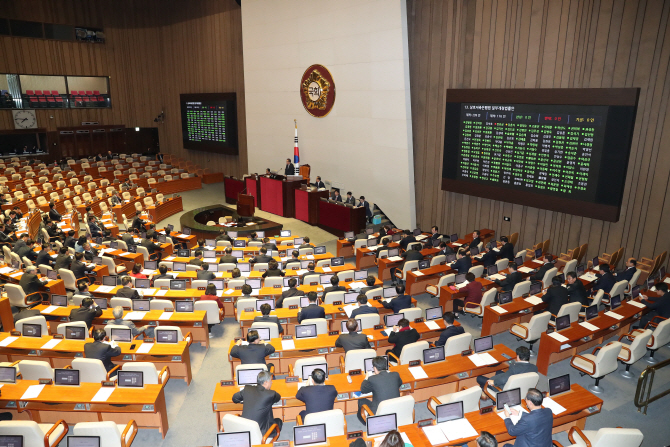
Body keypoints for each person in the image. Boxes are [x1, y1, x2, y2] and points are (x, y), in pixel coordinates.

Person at [357, 356, 402, 423]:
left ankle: (366, 422)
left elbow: (363, 389)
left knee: (361, 400)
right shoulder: (395, 374)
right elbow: (399, 383)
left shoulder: (372, 379)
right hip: (395, 409)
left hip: (379, 411)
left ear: (375, 368)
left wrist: (366, 377)